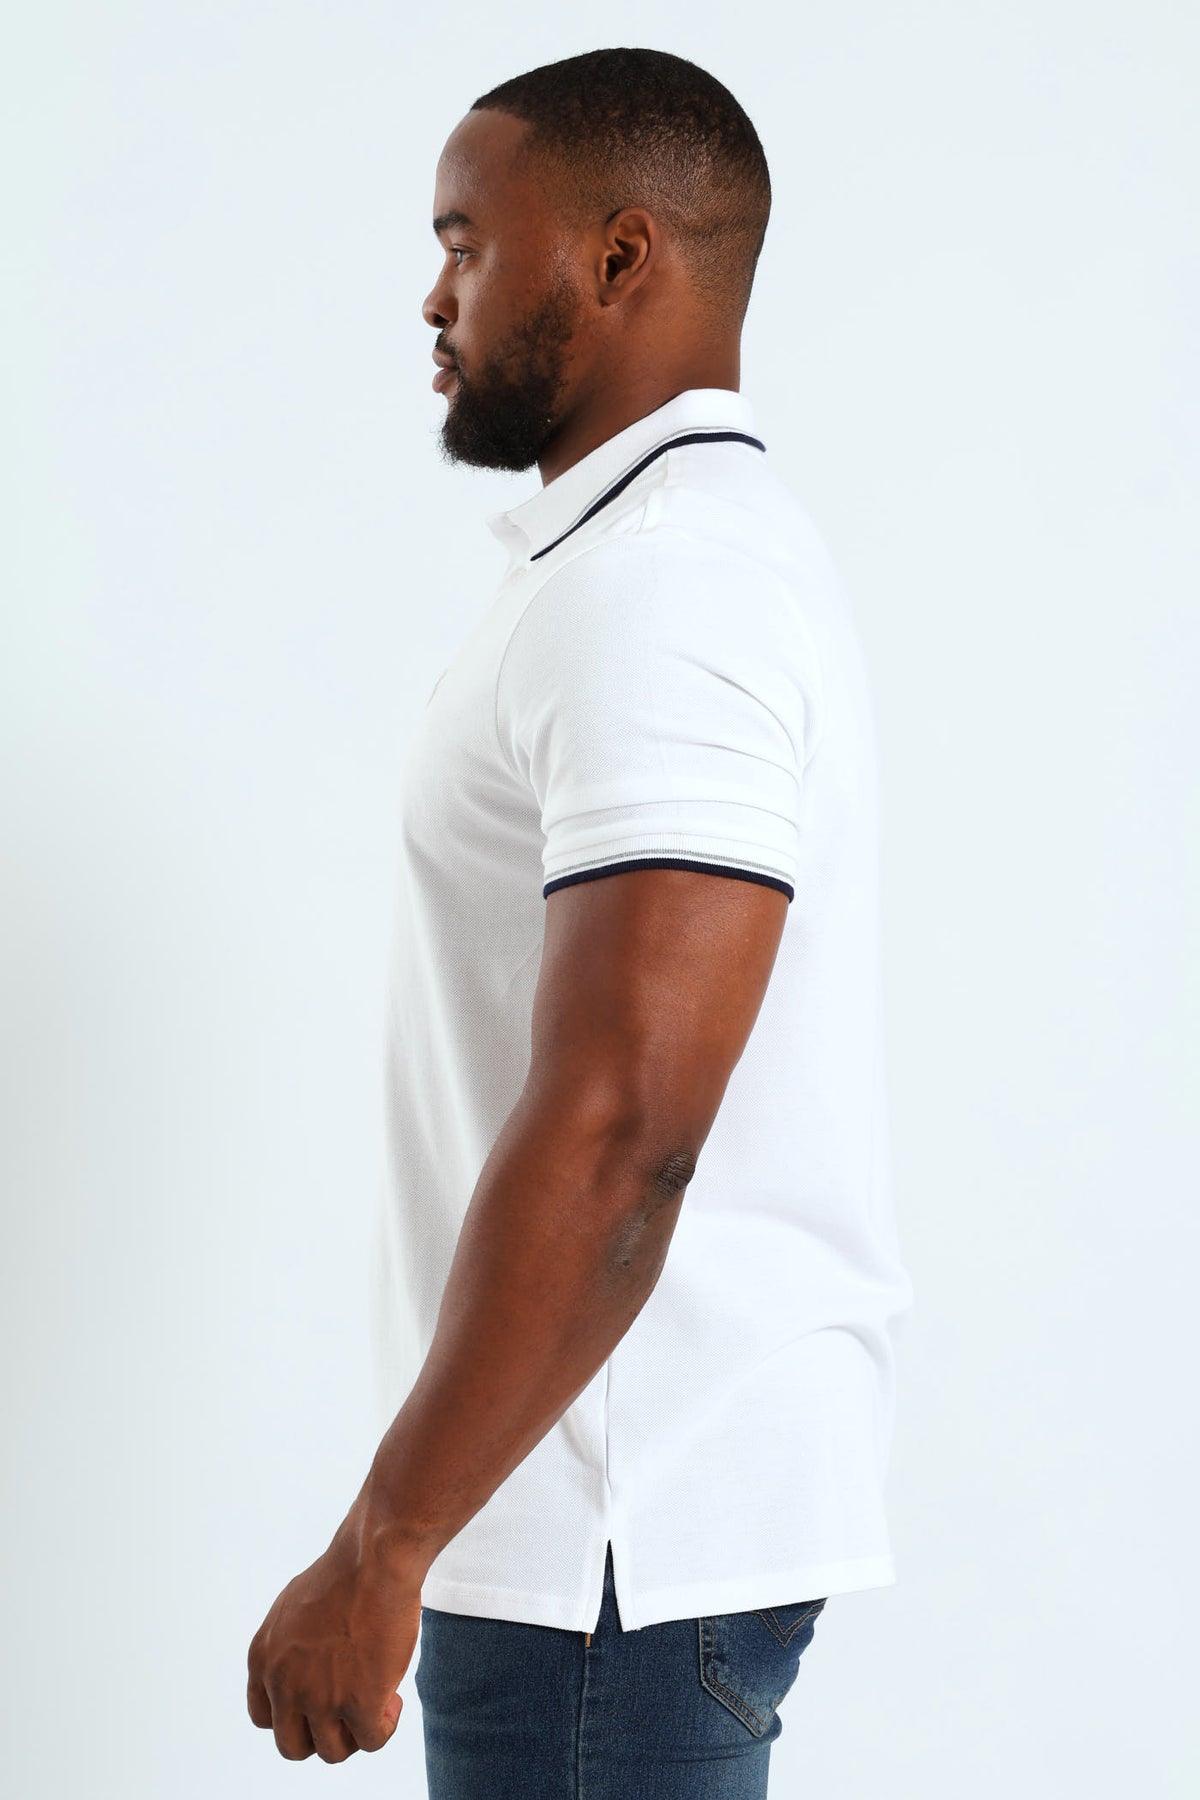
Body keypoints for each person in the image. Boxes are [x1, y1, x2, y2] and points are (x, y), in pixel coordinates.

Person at [247, 46, 914, 1796]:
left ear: (622, 258)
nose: (433, 296)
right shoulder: (642, 561)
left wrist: (385, 1543)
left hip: (605, 1541)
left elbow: (627, 1126)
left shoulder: (664, 588)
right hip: (600, 1520)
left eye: (467, 243)